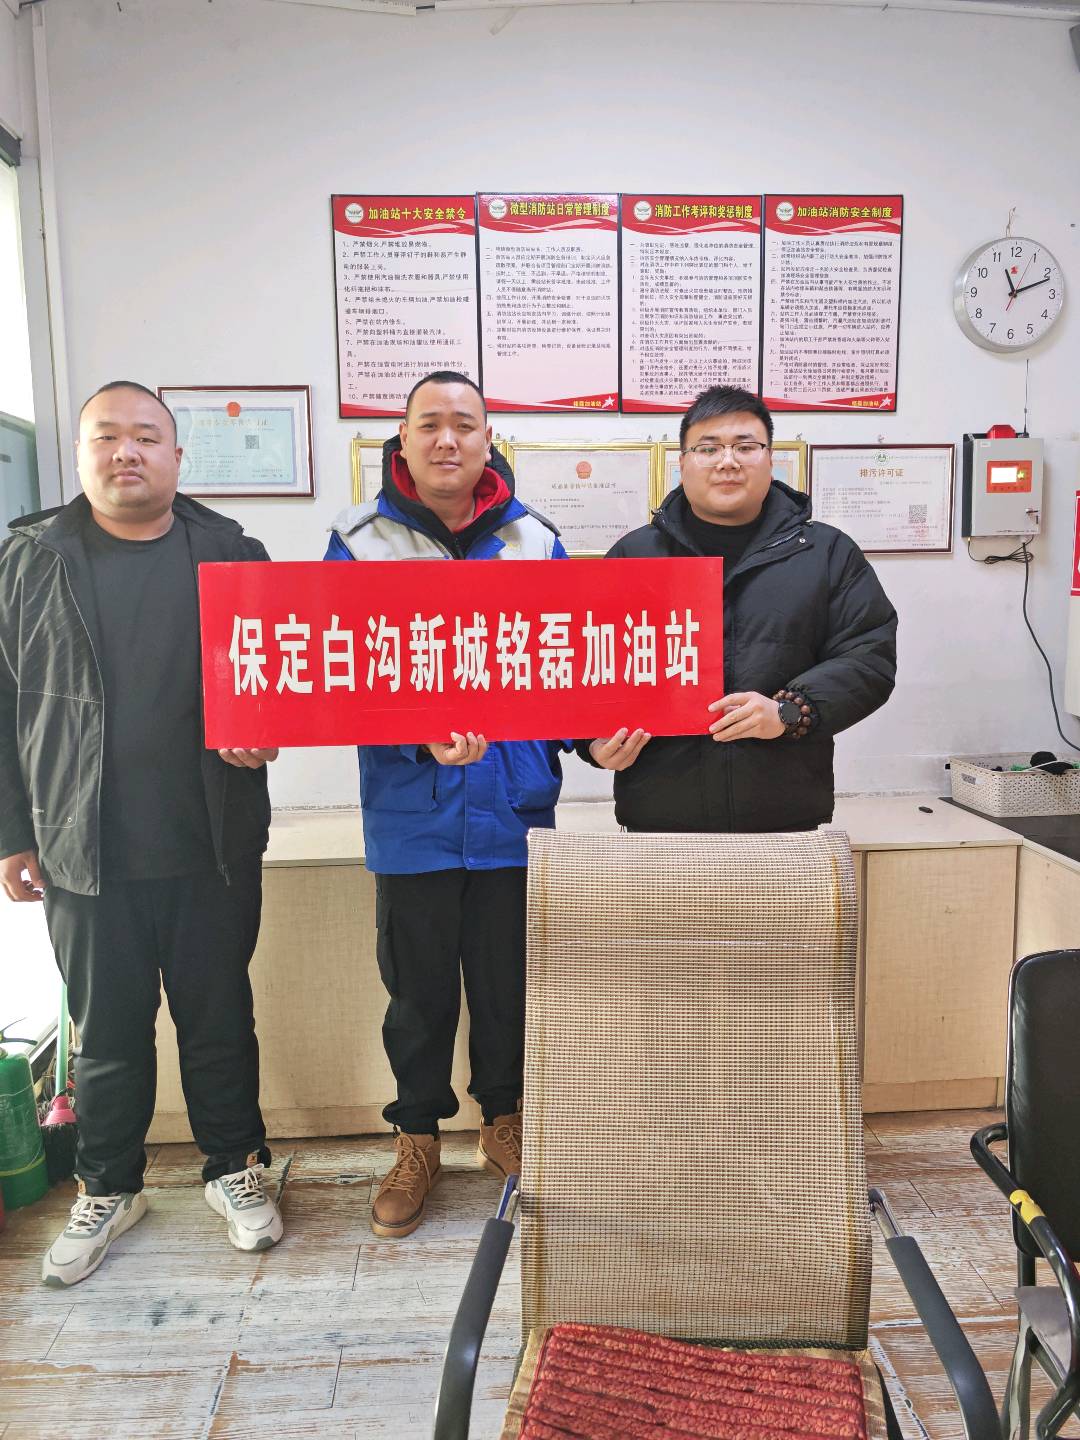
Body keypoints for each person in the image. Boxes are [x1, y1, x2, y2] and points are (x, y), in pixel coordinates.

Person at [0, 381, 282, 1286]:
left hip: (213, 842)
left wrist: (267, 733)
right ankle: (109, 1187)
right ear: (81, 454)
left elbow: (279, 678)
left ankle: (235, 1168)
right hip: (82, 848)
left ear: (177, 456)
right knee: (107, 1035)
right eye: (107, 437)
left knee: (219, 1019)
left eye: (147, 437)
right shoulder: (29, 559)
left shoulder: (234, 553)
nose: (127, 452)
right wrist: (10, 830)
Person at [325, 370, 569, 1239]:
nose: (447, 439)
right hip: (413, 816)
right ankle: (418, 1139)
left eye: (464, 424)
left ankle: (503, 1123)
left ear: (488, 438)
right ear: (402, 438)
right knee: (418, 995)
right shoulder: (359, 542)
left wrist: (598, 738)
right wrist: (414, 735)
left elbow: (569, 673)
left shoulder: (536, 541)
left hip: (510, 809)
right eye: (429, 423)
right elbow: (342, 676)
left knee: (508, 989)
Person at [583, 384, 897, 830]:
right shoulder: (635, 556)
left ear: (770, 459)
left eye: (745, 447)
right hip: (658, 820)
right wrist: (593, 745)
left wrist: (790, 711)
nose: (727, 461)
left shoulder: (826, 553)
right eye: (708, 448)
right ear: (682, 463)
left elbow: (870, 656)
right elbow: (584, 663)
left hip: (786, 820)